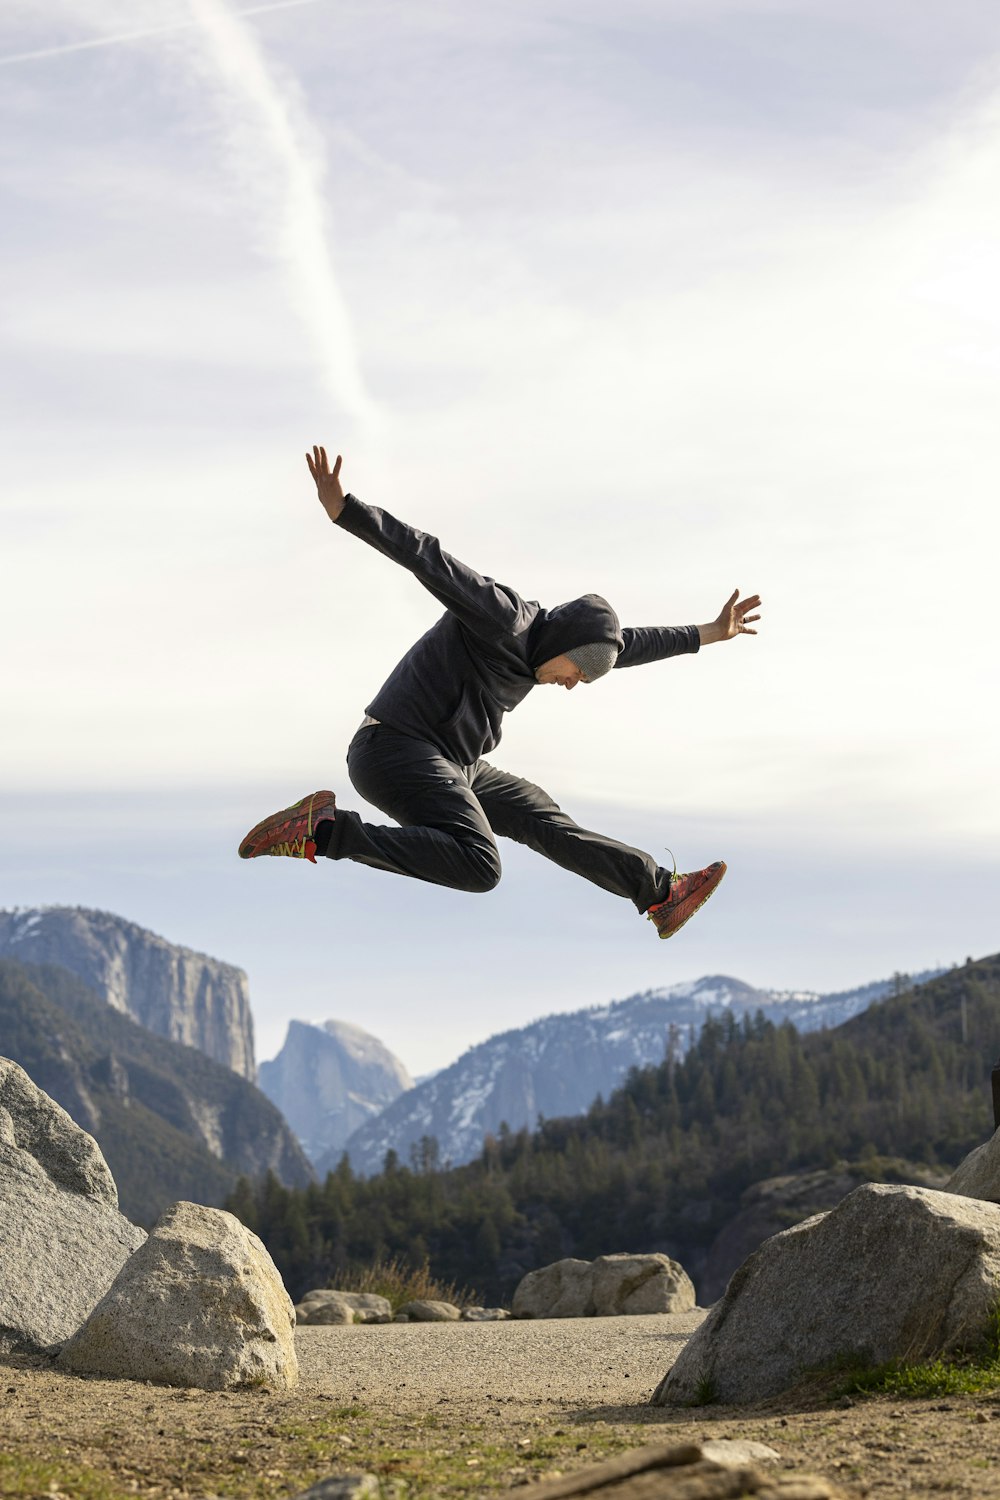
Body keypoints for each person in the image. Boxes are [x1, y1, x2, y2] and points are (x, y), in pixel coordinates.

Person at [239, 447, 762, 941]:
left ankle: (659, 894)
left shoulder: (568, 648)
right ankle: (325, 831)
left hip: (453, 761)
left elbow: (629, 645)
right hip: (393, 749)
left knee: (541, 816)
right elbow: (429, 558)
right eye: (577, 673)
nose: (572, 684)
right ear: (566, 645)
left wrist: (710, 633)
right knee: (480, 864)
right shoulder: (503, 618)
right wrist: (345, 510)